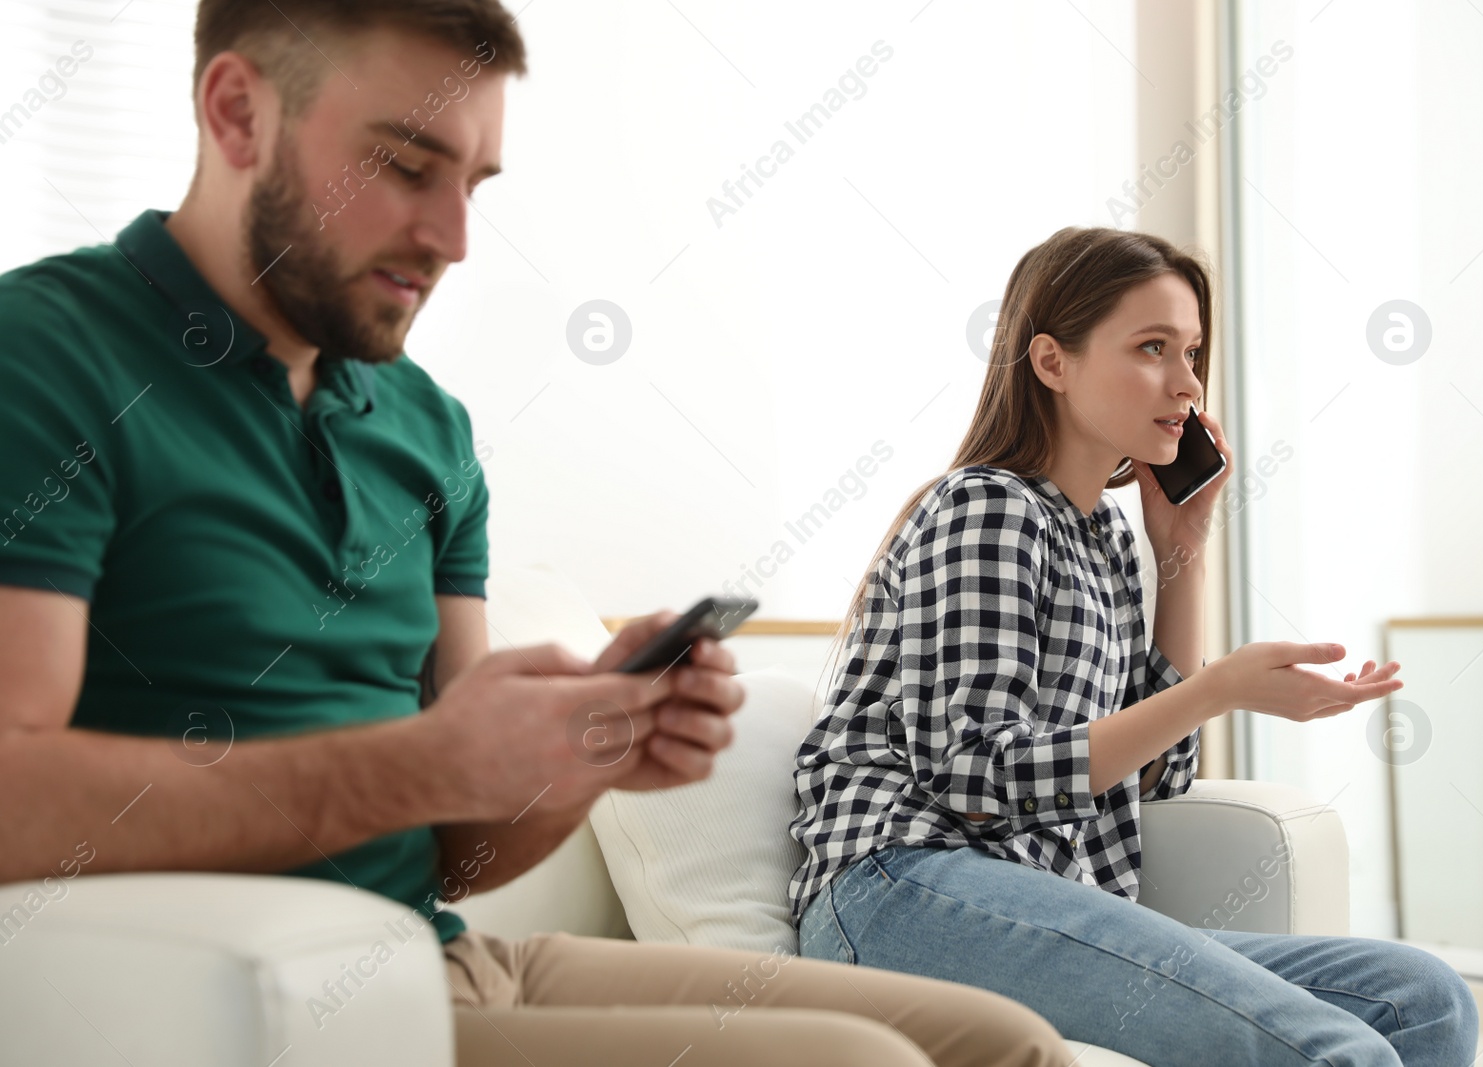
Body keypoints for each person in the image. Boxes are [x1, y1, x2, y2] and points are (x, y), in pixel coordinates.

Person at [0, 3, 1072, 1064]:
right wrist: (418, 763)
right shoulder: (46, 357)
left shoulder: (422, 425)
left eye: (473, 184)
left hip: (435, 957)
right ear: (238, 113)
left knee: (1006, 1042)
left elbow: (460, 849)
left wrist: (579, 752)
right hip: (233, 1004)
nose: (453, 239)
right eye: (406, 167)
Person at [788, 226, 1482, 1066]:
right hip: (906, 891)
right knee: (1337, 1050)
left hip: (1033, 896)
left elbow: (1160, 771)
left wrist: (1179, 548)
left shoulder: (1106, 539)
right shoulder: (984, 509)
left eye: (1192, 352)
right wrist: (1215, 689)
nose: (1187, 383)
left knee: (1422, 998)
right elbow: (970, 773)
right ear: (1052, 361)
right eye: (1153, 348)